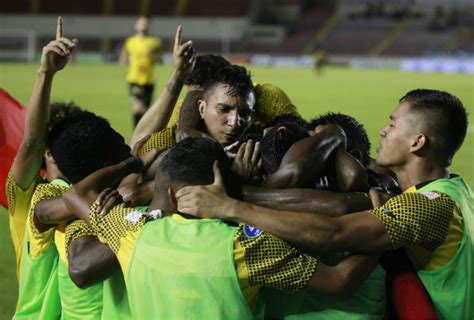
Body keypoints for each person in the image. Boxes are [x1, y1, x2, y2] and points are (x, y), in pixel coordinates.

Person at [176, 89, 473, 319]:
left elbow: (335, 232)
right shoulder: (458, 190)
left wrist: (231, 206)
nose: (383, 130)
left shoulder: (428, 205)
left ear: (417, 142)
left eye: (393, 124)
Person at [63, 137, 379, 319]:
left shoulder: (130, 233)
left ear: (169, 191)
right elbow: (340, 282)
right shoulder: (245, 245)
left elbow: (74, 194)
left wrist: (131, 169)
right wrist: (380, 224)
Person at [120, 16, 162, 127]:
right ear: (136, 25)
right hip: (134, 79)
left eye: (145, 23)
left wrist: (153, 54)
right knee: (138, 107)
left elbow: (160, 60)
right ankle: (136, 134)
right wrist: (126, 59)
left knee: (146, 111)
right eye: (141, 23)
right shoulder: (130, 42)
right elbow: (122, 59)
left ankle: (143, 136)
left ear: (148, 26)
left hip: (149, 80)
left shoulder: (154, 42)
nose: (143, 25)